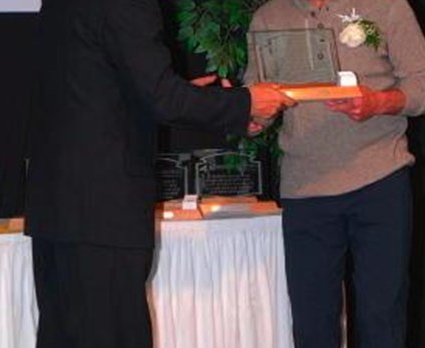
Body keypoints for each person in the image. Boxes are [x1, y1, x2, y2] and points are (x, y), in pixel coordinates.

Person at [23, 0, 296, 346]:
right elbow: (161, 97)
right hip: (102, 208)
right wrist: (245, 104)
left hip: (61, 206)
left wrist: (199, 101)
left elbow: (104, 86)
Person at [242, 0, 425, 347]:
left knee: (381, 318)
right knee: (312, 325)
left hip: (380, 178)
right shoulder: (268, 16)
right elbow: (257, 103)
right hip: (305, 189)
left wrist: (378, 103)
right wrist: (247, 116)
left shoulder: (386, 5)